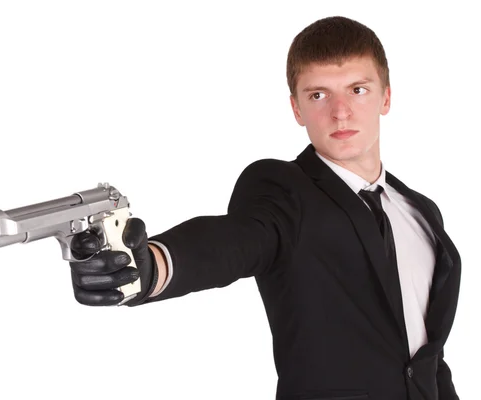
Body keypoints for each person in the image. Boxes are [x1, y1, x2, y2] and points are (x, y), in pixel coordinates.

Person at [68, 16, 461, 400]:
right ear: (296, 109)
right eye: (318, 95)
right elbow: (237, 239)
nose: (340, 112)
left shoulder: (421, 213)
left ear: (386, 97)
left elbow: (426, 357)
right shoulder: (283, 191)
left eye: (357, 90)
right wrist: (153, 266)